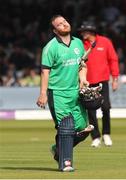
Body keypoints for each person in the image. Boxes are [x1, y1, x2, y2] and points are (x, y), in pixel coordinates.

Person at [36, 15, 94, 172]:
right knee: (66, 127)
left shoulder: (78, 43)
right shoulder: (50, 48)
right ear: (55, 30)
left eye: (65, 22)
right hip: (58, 93)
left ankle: (57, 148)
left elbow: (82, 64)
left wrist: (83, 79)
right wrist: (43, 93)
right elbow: (45, 72)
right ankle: (65, 163)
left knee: (85, 129)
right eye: (59, 24)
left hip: (75, 92)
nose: (64, 24)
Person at [78, 21, 119, 147]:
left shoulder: (105, 42)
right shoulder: (80, 44)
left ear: (91, 31)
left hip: (102, 80)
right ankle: (95, 137)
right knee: (90, 110)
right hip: (86, 81)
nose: (82, 33)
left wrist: (115, 78)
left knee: (106, 107)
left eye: (84, 31)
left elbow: (113, 59)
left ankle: (106, 134)